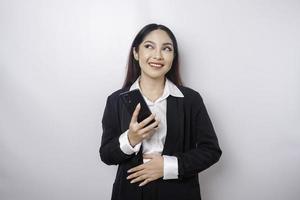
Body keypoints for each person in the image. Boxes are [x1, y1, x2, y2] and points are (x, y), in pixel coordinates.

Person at [100, 23, 222, 200]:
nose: (157, 55)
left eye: (166, 48)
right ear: (136, 53)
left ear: (173, 57)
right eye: (149, 46)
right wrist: (130, 139)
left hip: (179, 193)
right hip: (130, 193)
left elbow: (211, 151)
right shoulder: (116, 100)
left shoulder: (190, 99)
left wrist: (167, 166)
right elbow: (106, 155)